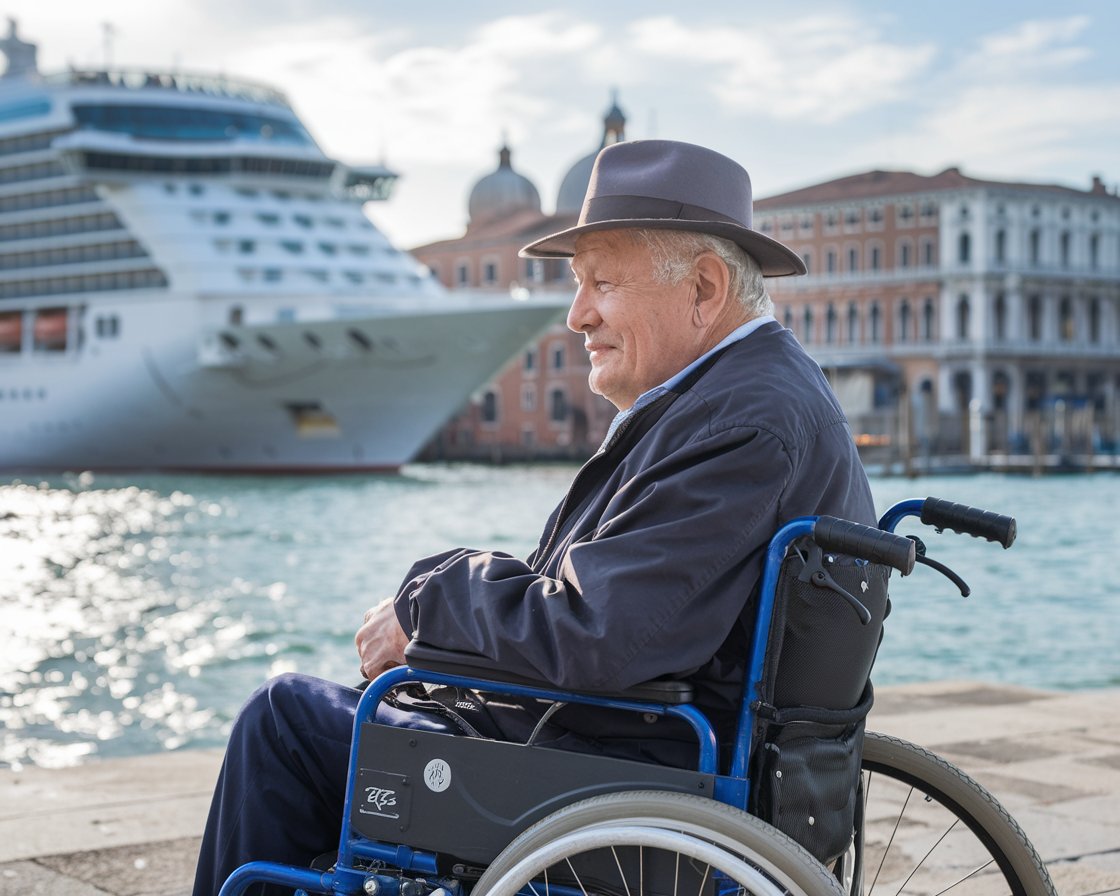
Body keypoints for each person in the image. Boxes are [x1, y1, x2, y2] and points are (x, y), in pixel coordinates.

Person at [192, 139, 876, 895]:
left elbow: (601, 635)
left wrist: (425, 603)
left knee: (285, 719)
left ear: (704, 290)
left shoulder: (739, 423)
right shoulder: (745, 398)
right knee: (356, 716)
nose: (577, 315)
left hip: (623, 774)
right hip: (636, 749)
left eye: (603, 284)